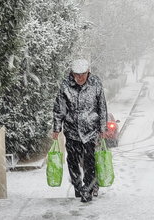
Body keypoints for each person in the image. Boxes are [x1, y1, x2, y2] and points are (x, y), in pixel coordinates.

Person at [52, 59, 107, 202]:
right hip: (72, 131)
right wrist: (57, 128)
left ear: (88, 72)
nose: (80, 77)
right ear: (72, 73)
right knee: (72, 160)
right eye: (77, 74)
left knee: (90, 161)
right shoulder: (65, 86)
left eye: (83, 74)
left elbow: (102, 106)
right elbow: (59, 109)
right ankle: (78, 186)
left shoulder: (96, 83)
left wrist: (102, 127)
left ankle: (88, 188)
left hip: (90, 130)